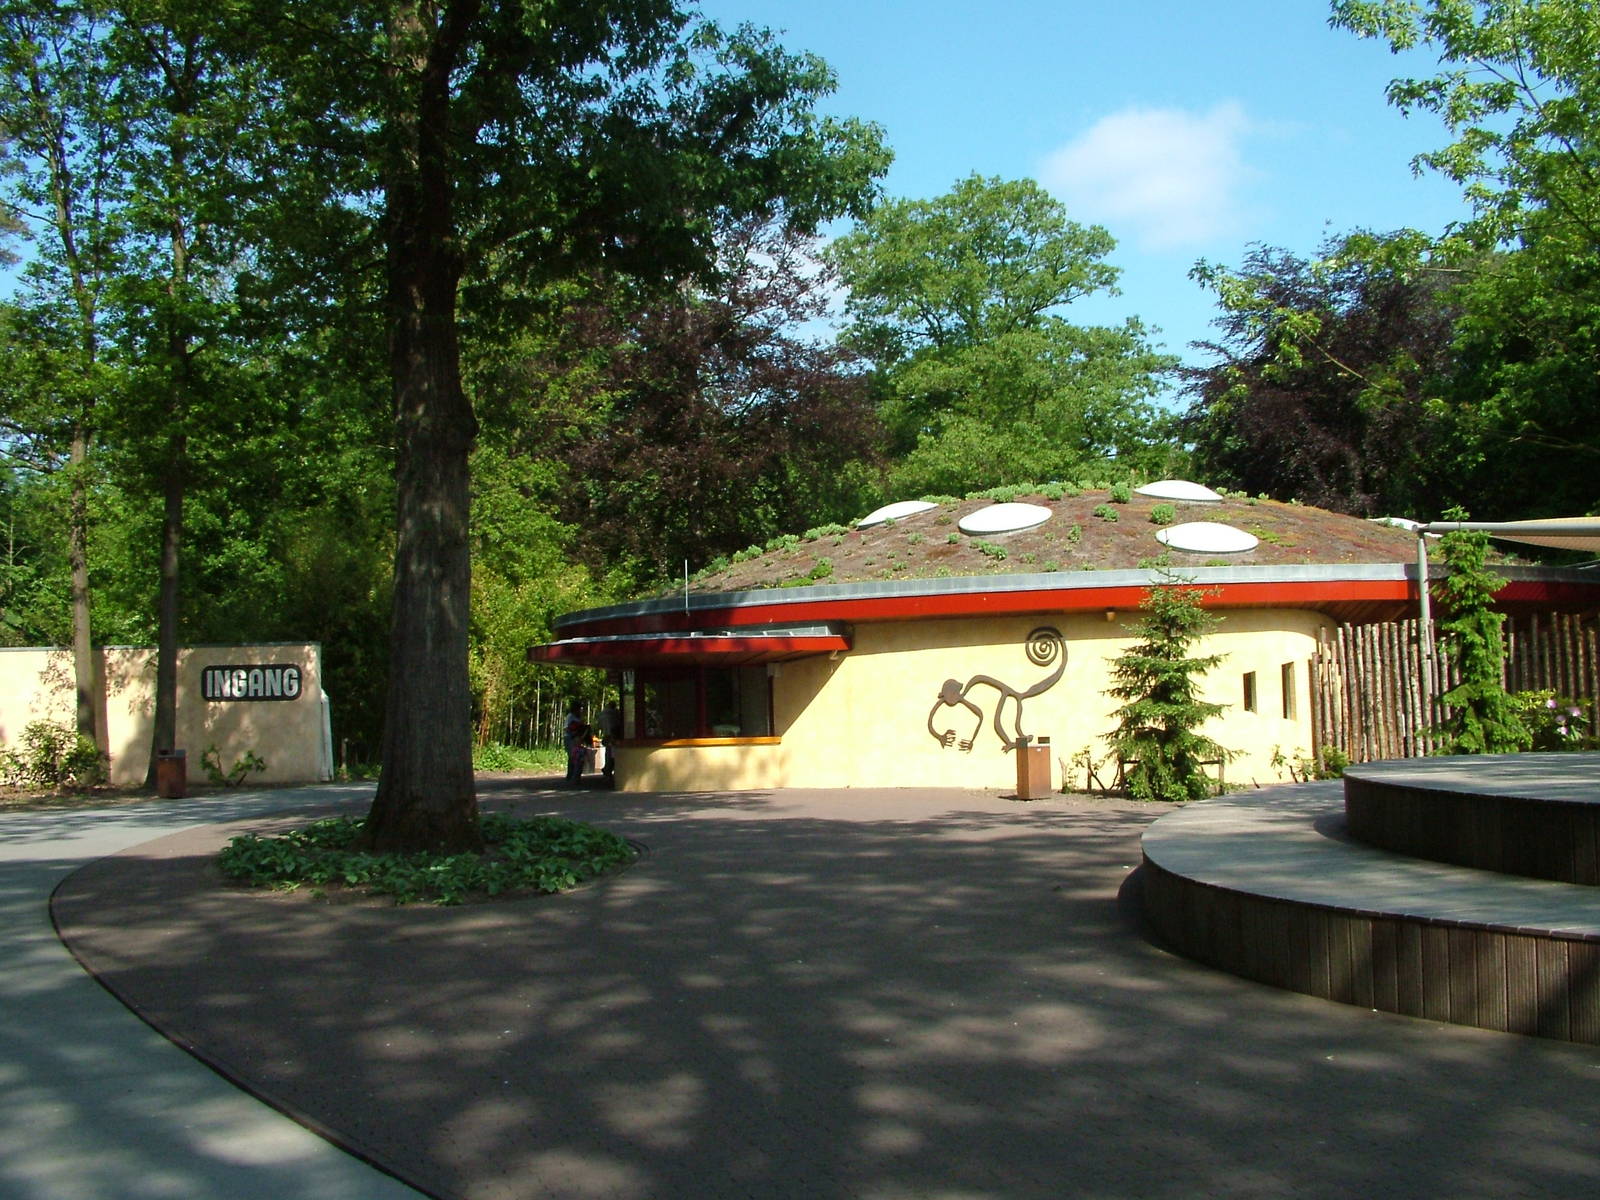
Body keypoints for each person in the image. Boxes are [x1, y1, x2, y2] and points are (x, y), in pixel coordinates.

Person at [597, 698, 623, 786]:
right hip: (615, 735)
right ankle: (610, 771)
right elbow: (620, 723)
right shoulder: (616, 713)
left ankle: (607, 771)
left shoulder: (602, 714)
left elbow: (599, 726)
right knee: (614, 755)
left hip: (607, 735)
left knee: (608, 754)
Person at [563, 703, 589, 786]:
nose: (581, 711)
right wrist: (574, 735)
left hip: (576, 738)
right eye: (580, 709)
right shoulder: (570, 716)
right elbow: (566, 728)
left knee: (575, 757)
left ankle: (573, 776)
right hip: (570, 738)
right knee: (573, 757)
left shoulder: (577, 717)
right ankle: (572, 776)